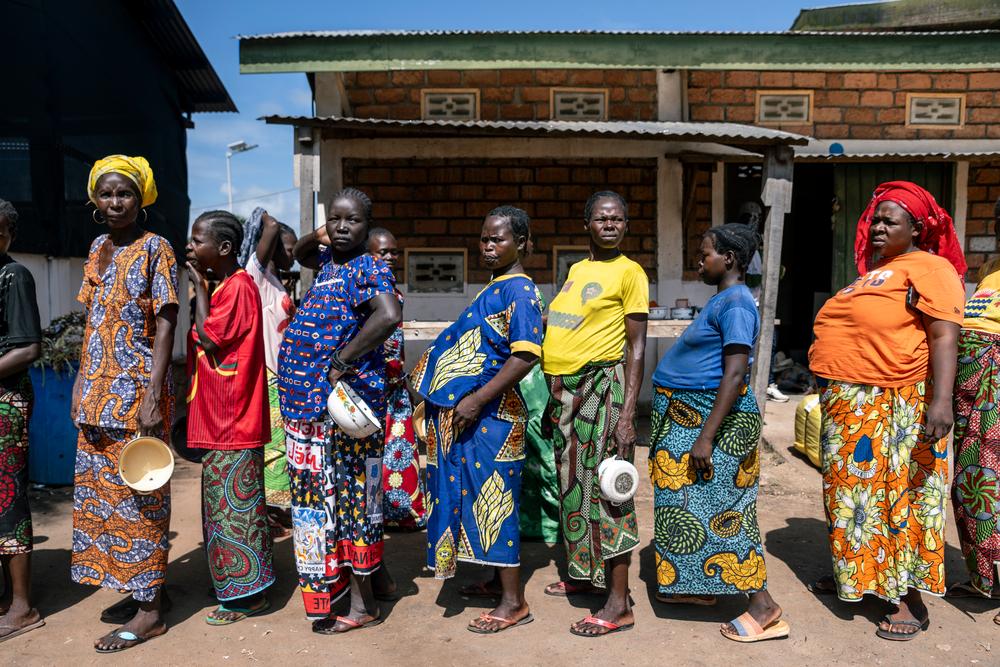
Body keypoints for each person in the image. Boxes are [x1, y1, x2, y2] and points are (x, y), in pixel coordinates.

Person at [808, 181, 965, 641]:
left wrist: (941, 401)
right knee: (850, 497)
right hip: (850, 405)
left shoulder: (931, 268)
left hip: (893, 402)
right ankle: (857, 574)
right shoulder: (879, 271)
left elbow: (943, 335)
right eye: (874, 219)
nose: (876, 226)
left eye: (888, 221)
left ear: (915, 228)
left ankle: (907, 600)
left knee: (897, 497)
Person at [648, 223, 788, 642]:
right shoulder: (723, 300)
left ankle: (764, 607)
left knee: (723, 510)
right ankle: (701, 588)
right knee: (688, 504)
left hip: (710, 421)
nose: (699, 260)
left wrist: (706, 436)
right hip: (686, 416)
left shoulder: (738, 305)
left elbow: (733, 375)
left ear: (728, 259)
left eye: (705, 253)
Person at [411, 205, 543, 633]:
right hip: (477, 415)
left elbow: (524, 355)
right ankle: (490, 578)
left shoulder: (519, 291)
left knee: (495, 500)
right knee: (471, 493)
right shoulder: (497, 285)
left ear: (521, 243)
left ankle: (514, 602)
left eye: (498, 239)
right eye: (484, 238)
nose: (487, 246)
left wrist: (476, 399)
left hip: (494, 416)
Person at [277, 188, 401, 633]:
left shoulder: (369, 267)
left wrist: (341, 360)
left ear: (368, 227)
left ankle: (364, 605)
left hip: (342, 414)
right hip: (306, 413)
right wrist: (326, 231)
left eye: (353, 221)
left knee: (353, 505)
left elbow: (387, 315)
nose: (343, 227)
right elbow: (299, 251)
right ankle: (338, 595)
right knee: (317, 509)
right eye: (336, 219)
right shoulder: (329, 264)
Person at [71, 156, 178, 653]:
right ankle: (140, 589)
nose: (115, 202)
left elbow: (167, 323)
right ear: (95, 199)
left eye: (125, 194)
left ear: (141, 199)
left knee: (141, 498)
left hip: (136, 392)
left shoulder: (157, 248)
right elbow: (91, 323)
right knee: (104, 498)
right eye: (107, 193)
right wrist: (79, 382)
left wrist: (154, 393)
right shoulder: (97, 249)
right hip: (95, 391)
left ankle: (151, 611)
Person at [541, 191, 647, 637]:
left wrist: (627, 414)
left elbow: (636, 346)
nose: (611, 224)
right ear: (587, 223)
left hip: (602, 389)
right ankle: (586, 574)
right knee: (573, 488)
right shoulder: (577, 270)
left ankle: (619, 602)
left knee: (609, 489)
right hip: (566, 394)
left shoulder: (631, 272)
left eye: (619, 219)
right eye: (602, 218)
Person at [186, 210, 274, 625]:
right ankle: (230, 582)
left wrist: (199, 290)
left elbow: (209, 336)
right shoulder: (225, 287)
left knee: (235, 512)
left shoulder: (238, 287)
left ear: (223, 248)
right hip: (218, 419)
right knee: (220, 511)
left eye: (197, 239)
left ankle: (248, 595)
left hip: (233, 420)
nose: (190, 246)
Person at [948, 197, 1000, 620]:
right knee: (969, 486)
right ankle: (986, 579)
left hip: (995, 395)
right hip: (970, 396)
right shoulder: (989, 273)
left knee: (994, 487)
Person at [237, 208, 297, 533]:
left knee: (278, 448)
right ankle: (266, 513)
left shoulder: (275, 279)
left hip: (281, 373)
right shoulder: (255, 274)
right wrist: (263, 218)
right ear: (272, 246)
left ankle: (273, 510)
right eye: (288, 247)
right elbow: (271, 224)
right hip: (267, 372)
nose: (294, 254)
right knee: (271, 451)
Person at [0, 199, 43, 643]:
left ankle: (21, 606)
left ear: (10, 235)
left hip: (4, 402)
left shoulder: (13, 275)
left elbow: (29, 348)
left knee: (7, 498)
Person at [368, 228, 426, 531]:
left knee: (399, 452)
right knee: (373, 455)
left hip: (395, 386)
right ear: (369, 255)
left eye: (394, 252)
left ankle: (404, 512)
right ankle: (374, 514)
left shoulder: (390, 285)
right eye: (383, 252)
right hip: (370, 387)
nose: (391, 257)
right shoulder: (364, 287)